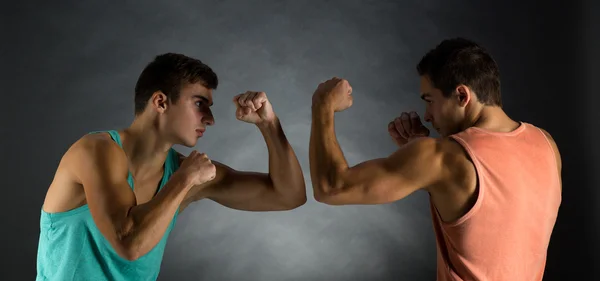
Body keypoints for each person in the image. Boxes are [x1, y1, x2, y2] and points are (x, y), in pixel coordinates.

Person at [36, 53, 307, 281]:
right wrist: (184, 180)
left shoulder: (181, 169)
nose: (210, 119)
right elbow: (129, 244)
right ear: (161, 102)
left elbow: (289, 195)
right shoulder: (95, 151)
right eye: (200, 104)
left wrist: (269, 125)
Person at [309, 38, 562, 280]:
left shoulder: (443, 156)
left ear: (462, 96)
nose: (427, 116)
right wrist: (424, 154)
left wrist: (322, 105)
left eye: (430, 101)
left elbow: (331, 187)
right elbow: (497, 226)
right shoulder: (547, 145)